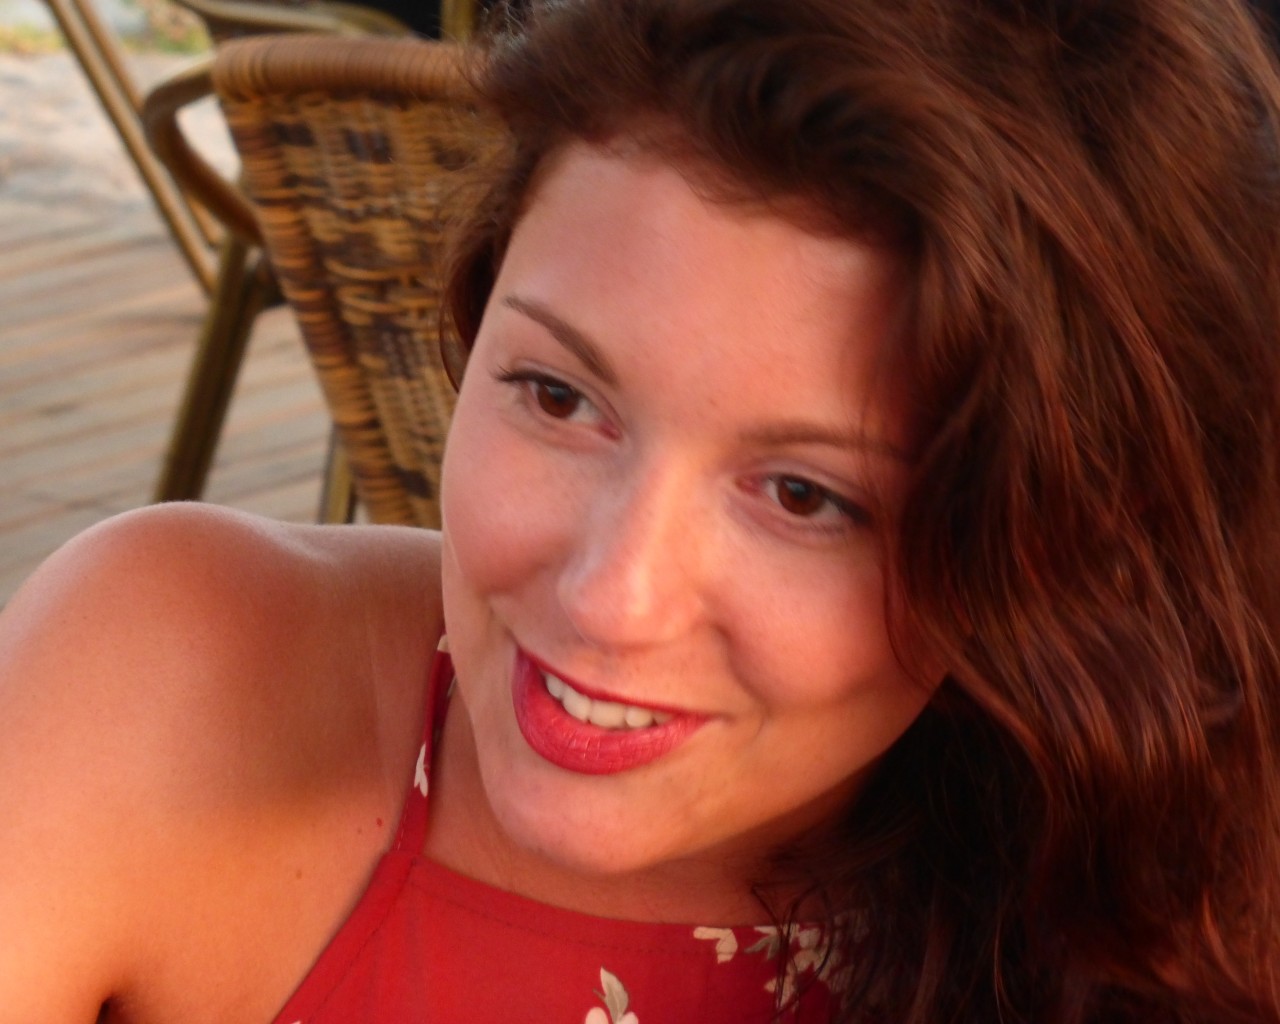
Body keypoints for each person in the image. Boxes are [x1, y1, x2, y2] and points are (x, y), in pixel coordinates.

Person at [2, 0, 1279, 1021]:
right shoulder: (172, 676)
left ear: (1067, 547)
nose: (609, 595)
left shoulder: (1185, 916)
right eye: (557, 396)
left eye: (803, 496)